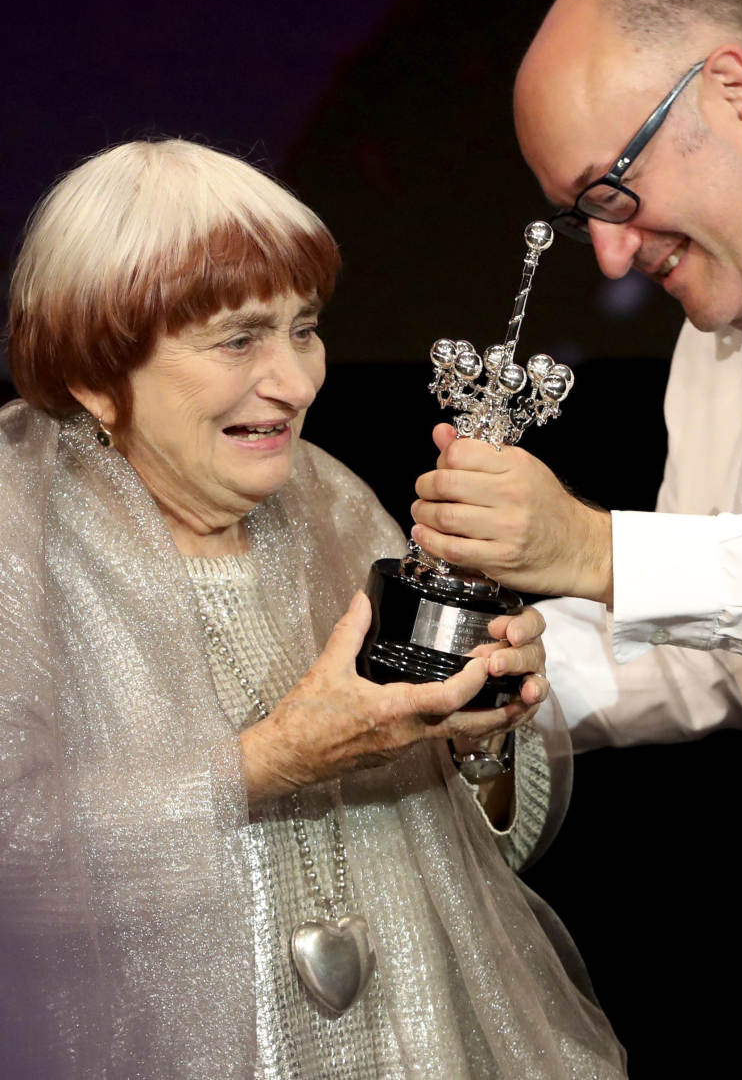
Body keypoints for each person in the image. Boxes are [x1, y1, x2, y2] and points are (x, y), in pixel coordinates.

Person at [0, 138, 626, 1079]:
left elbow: (486, 862)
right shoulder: (20, 545)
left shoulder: (335, 505)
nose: (297, 381)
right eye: (239, 338)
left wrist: (483, 729)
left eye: (305, 327)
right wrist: (272, 760)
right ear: (96, 368)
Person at [411, 0, 742, 1076]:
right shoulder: (717, 337)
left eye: (611, 194)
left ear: (733, 90)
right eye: (585, 218)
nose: (619, 258)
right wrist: (499, 676)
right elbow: (711, 648)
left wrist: (589, 545)